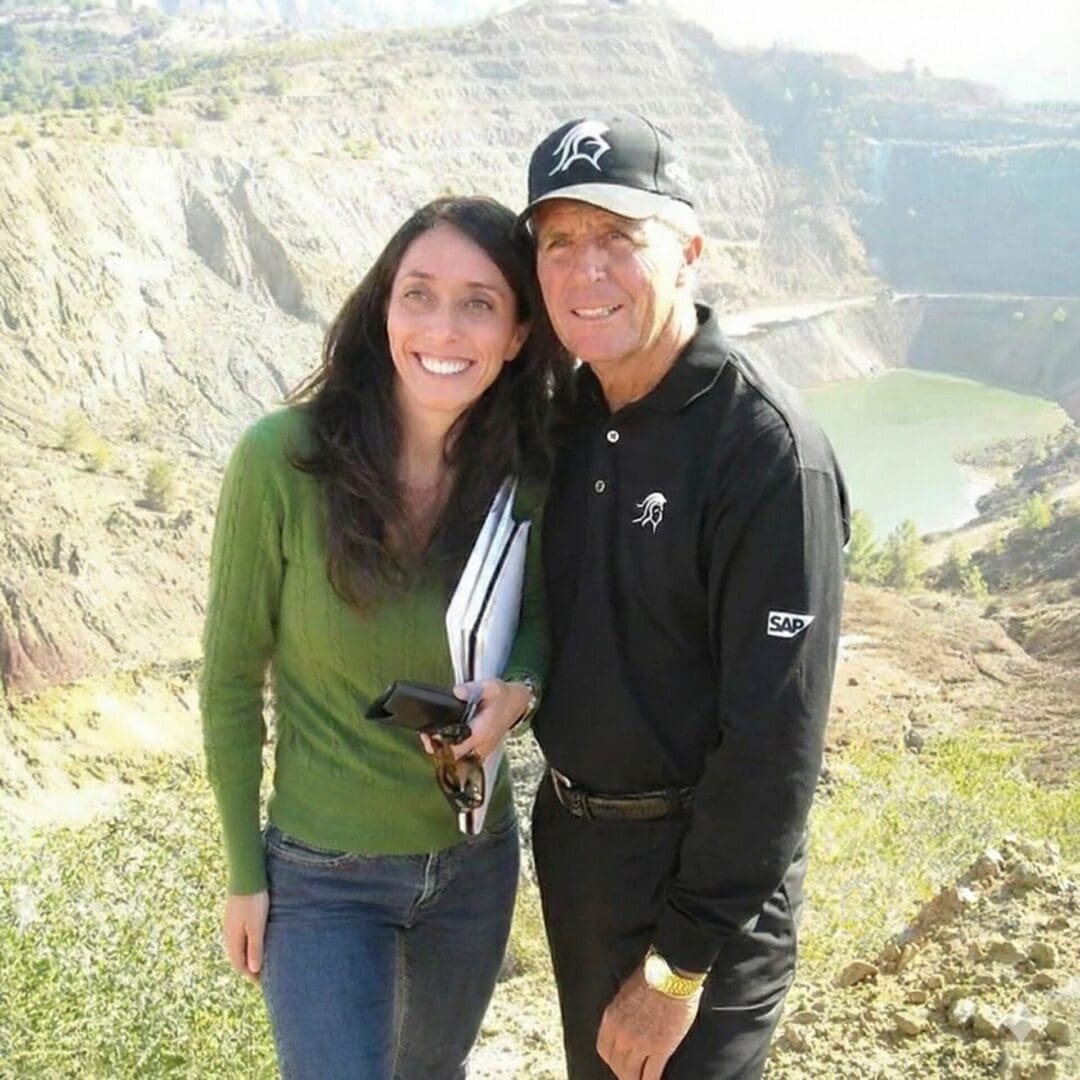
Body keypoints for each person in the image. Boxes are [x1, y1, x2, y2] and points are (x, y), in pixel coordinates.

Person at [199, 195, 561, 1080]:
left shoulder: (529, 471)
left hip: (474, 871)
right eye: (419, 294)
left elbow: (544, 617)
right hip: (325, 882)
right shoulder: (283, 460)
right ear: (383, 308)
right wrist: (246, 873)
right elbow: (232, 680)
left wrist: (518, 689)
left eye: (480, 302)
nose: (445, 325)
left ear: (516, 335)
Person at [519, 113, 850, 1080]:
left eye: (620, 237)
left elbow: (774, 743)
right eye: (560, 242)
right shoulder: (570, 418)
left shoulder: (765, 453)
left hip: (703, 891)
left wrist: (678, 966)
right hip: (579, 856)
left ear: (689, 250)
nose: (588, 271)